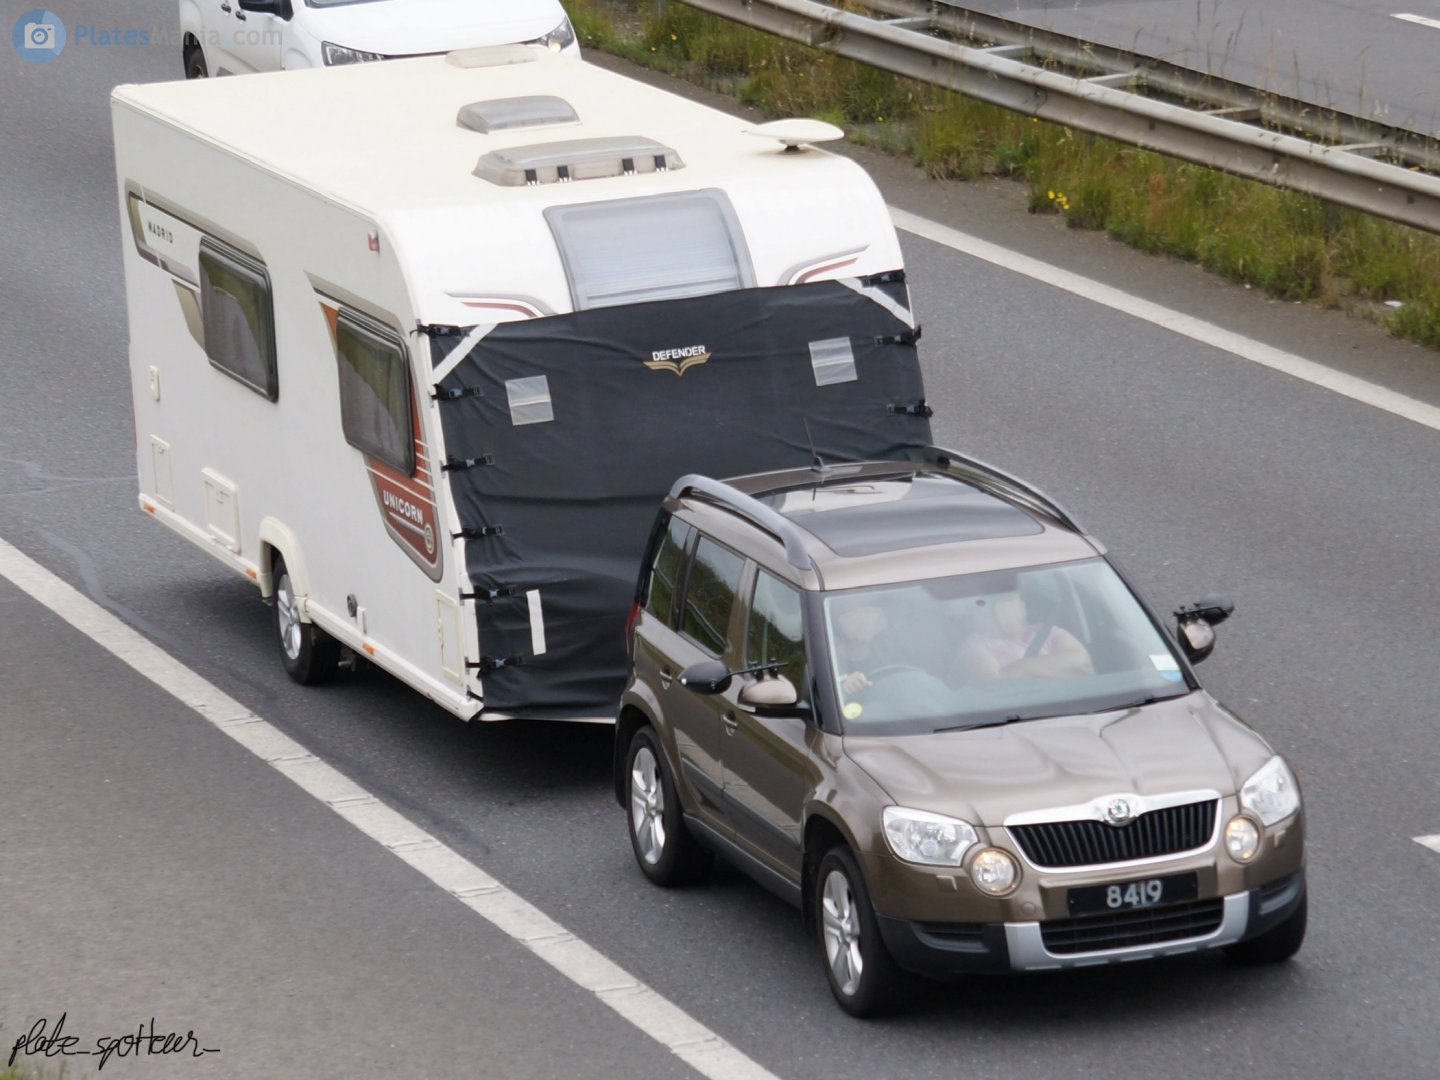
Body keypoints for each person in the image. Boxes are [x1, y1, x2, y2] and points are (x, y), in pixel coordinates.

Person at [951, 591, 1093, 683]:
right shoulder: (975, 646)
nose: (1004, 611)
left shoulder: (1049, 631)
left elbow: (1082, 665)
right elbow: (993, 683)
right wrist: (1055, 667)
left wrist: (1018, 669)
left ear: (1022, 607)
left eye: (1009, 601)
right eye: (996, 604)